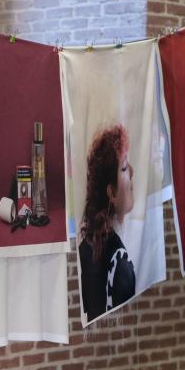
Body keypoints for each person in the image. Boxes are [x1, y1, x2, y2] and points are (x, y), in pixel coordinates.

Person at [78, 124, 136, 322]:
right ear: (111, 193)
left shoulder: (86, 247)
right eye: (124, 167)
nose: (133, 172)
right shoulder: (120, 262)